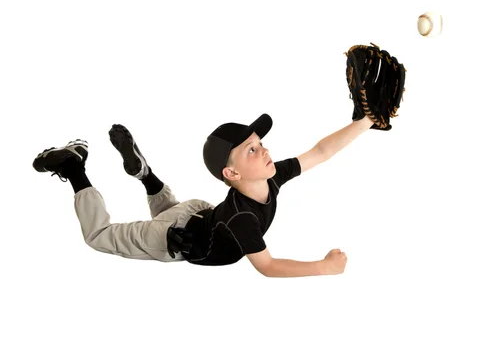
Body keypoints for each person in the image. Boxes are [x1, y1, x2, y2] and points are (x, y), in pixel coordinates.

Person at [32, 113, 375, 277]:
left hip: (195, 219)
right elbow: (268, 266)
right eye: (252, 150)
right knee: (99, 236)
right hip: (177, 235)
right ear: (232, 174)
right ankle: (76, 168)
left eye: (259, 144)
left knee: (172, 215)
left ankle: (145, 174)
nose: (265, 150)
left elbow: (320, 151)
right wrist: (326, 267)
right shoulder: (243, 219)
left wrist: (365, 122)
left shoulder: (270, 177)